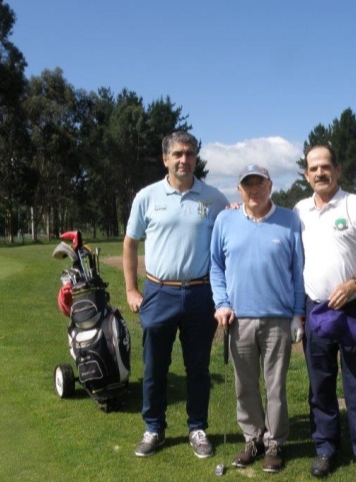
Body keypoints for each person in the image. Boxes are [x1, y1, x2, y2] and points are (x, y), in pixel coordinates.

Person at [123, 131, 229, 459]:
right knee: (155, 366)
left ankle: (197, 428)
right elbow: (130, 242)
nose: (185, 160)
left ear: (197, 158)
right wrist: (130, 289)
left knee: (198, 367)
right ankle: (153, 428)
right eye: (178, 154)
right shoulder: (147, 196)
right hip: (159, 292)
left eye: (190, 154)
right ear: (165, 158)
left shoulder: (214, 198)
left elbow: (232, 233)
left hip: (201, 294)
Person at [294, 145, 356, 482]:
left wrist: (354, 283)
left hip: (353, 310)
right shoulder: (299, 210)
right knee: (320, 384)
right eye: (313, 168)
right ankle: (326, 449)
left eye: (325, 166)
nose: (319, 173)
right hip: (315, 310)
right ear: (306, 175)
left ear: (338, 169)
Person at [210, 165, 305, 473]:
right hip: (238, 320)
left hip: (278, 319)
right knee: (245, 385)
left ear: (270, 186)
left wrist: (297, 314)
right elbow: (216, 268)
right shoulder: (225, 220)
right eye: (247, 185)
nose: (254, 190)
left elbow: (298, 272)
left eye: (259, 183)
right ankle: (253, 439)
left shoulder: (290, 220)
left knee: (275, 386)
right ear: (240, 190)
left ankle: (275, 443)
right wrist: (221, 303)